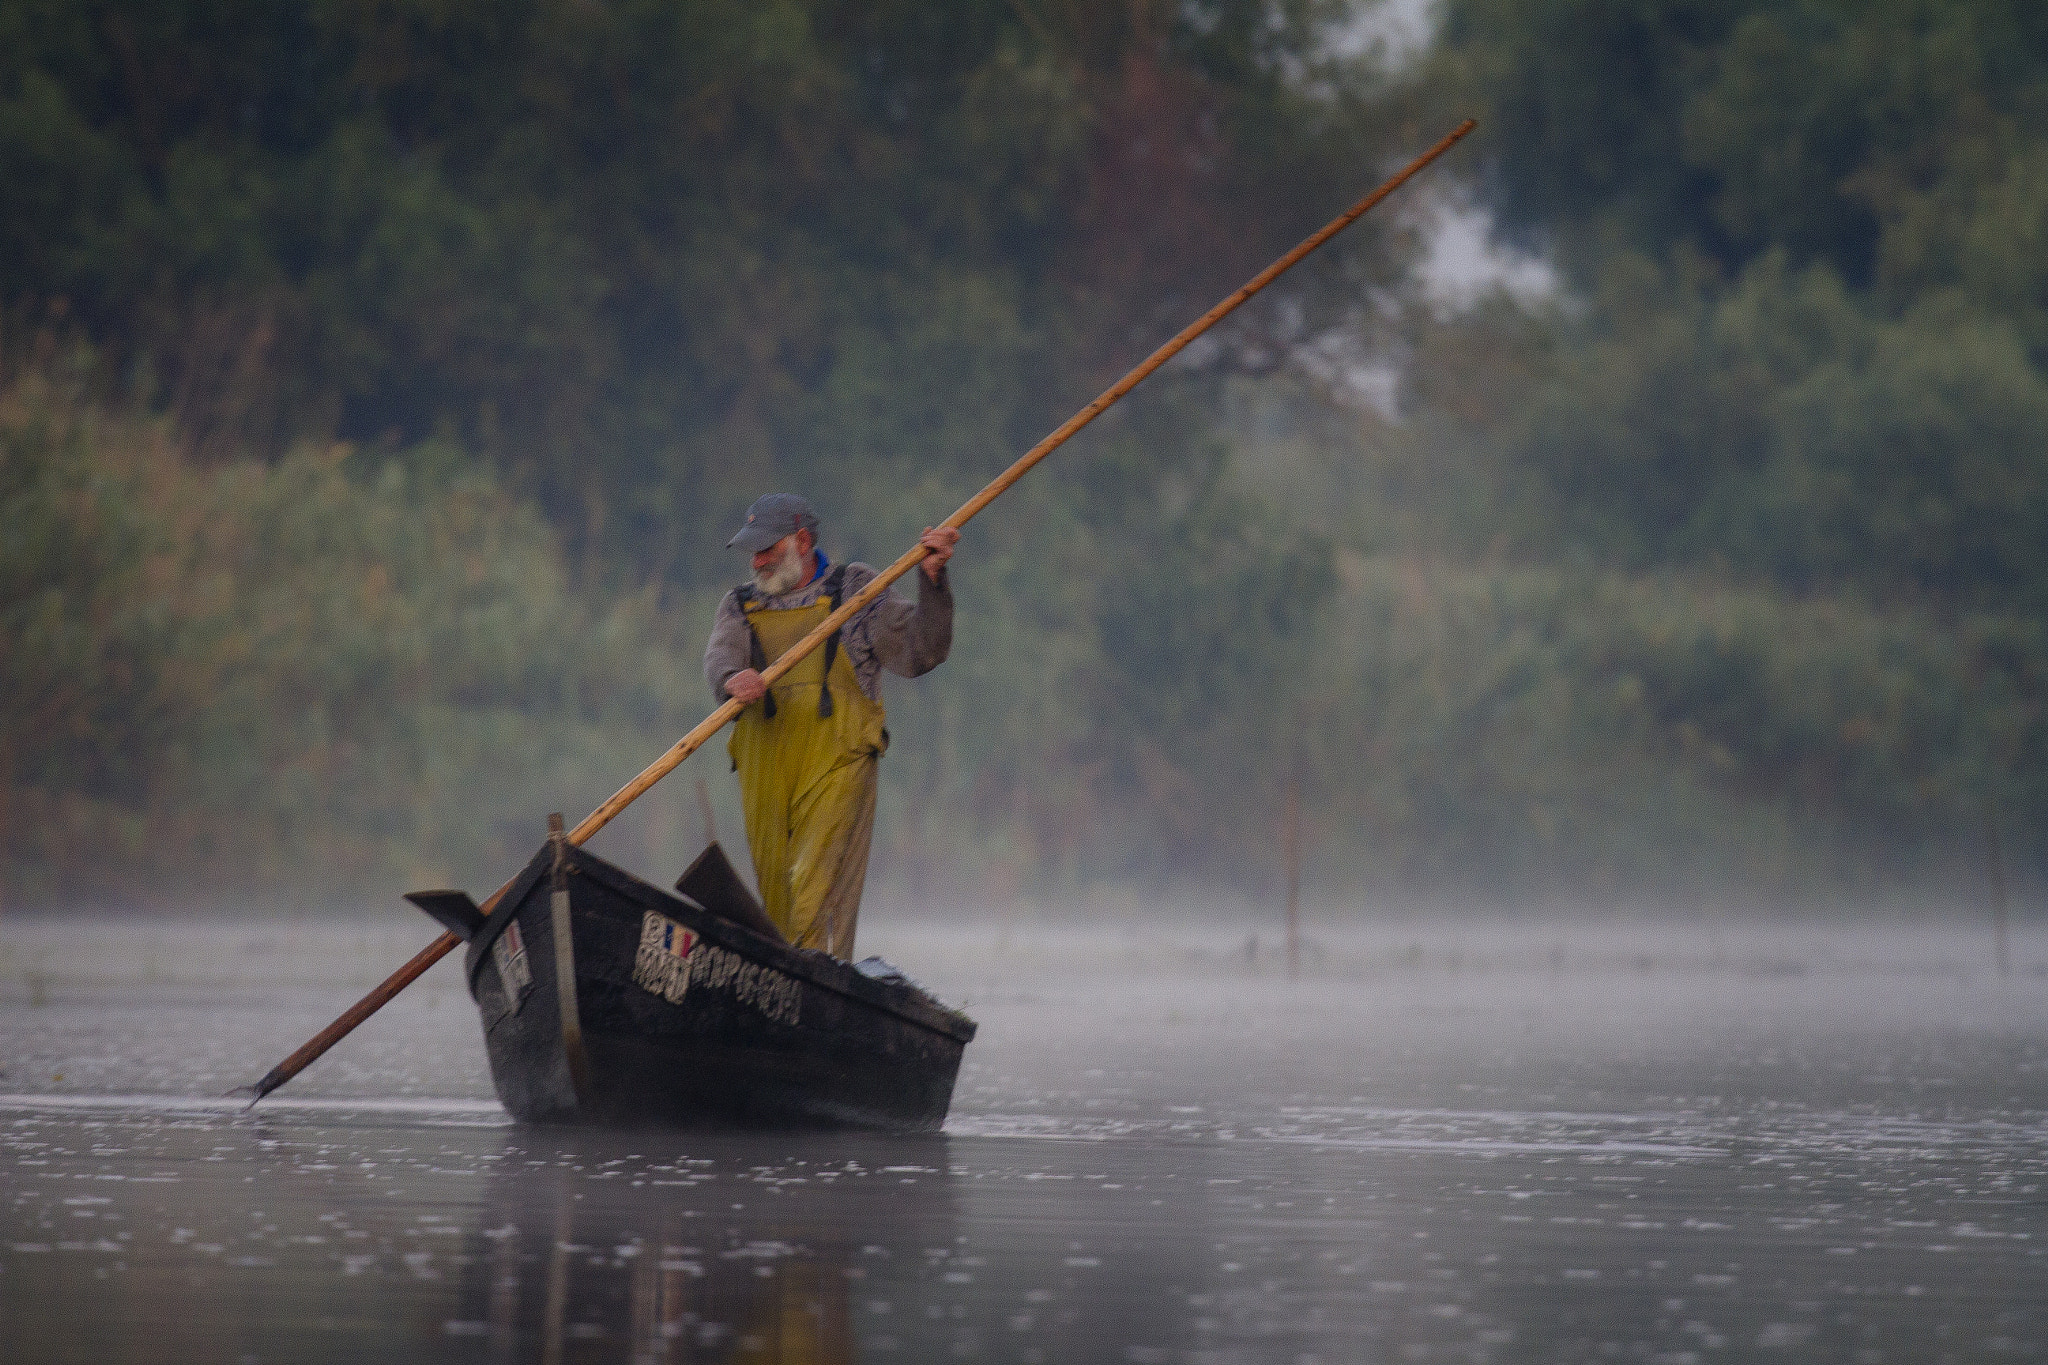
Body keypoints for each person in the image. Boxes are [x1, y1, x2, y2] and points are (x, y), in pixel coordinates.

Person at [704, 493, 957, 956]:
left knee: (814, 887)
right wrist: (730, 680)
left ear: (802, 541)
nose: (757, 561)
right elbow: (721, 659)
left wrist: (933, 580)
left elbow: (922, 651)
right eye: (752, 551)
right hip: (766, 773)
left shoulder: (853, 590)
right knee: (778, 907)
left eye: (768, 549)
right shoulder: (738, 605)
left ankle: (818, 991)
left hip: (839, 766)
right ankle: (789, 992)